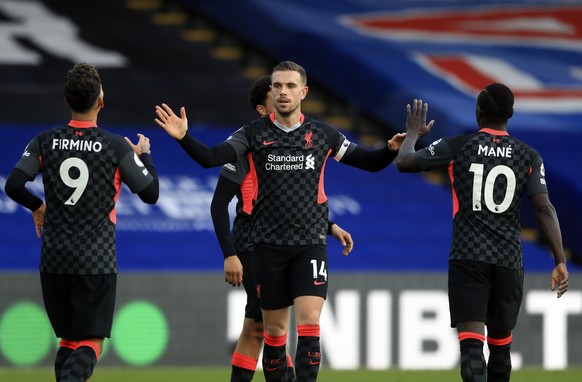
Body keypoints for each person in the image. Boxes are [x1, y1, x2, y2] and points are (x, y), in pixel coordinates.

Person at [155, 60, 410, 382]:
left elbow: (369, 163)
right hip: (266, 248)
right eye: (277, 86)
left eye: (290, 86)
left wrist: (389, 150)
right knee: (273, 332)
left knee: (309, 323)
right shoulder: (252, 134)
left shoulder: (322, 134)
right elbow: (211, 158)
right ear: (271, 92)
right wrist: (183, 137)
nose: (283, 92)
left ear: (303, 92)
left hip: (309, 245)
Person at [395, 84, 569, 382]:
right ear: (510, 114)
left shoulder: (458, 146)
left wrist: (413, 134)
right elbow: (544, 209)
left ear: (478, 112)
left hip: (469, 256)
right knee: (500, 348)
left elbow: (404, 162)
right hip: (508, 259)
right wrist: (560, 260)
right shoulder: (529, 156)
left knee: (471, 348)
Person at [4, 63, 159, 382]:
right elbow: (151, 193)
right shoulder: (115, 146)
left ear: (66, 100)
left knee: (69, 341)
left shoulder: (44, 141)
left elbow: (14, 185)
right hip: (96, 261)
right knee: (91, 343)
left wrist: (37, 206)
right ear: (101, 100)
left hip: (54, 260)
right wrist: (143, 155)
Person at [210, 75, 354, 382]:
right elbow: (221, 202)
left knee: (260, 326)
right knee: (265, 326)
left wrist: (327, 225)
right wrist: (230, 253)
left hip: (280, 239)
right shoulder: (249, 147)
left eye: (288, 90)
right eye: (276, 93)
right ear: (264, 109)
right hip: (254, 244)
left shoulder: (282, 145)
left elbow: (287, 202)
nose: (282, 98)